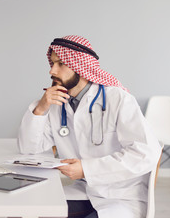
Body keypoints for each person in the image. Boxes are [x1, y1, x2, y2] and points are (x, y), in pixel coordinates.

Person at [18, 35, 162, 218]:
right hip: (84, 191)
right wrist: (40, 108)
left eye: (60, 63)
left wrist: (87, 169)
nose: (52, 71)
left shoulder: (117, 99)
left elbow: (146, 154)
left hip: (121, 197)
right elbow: (29, 149)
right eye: (52, 63)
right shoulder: (55, 103)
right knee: (27, 211)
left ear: (80, 66)